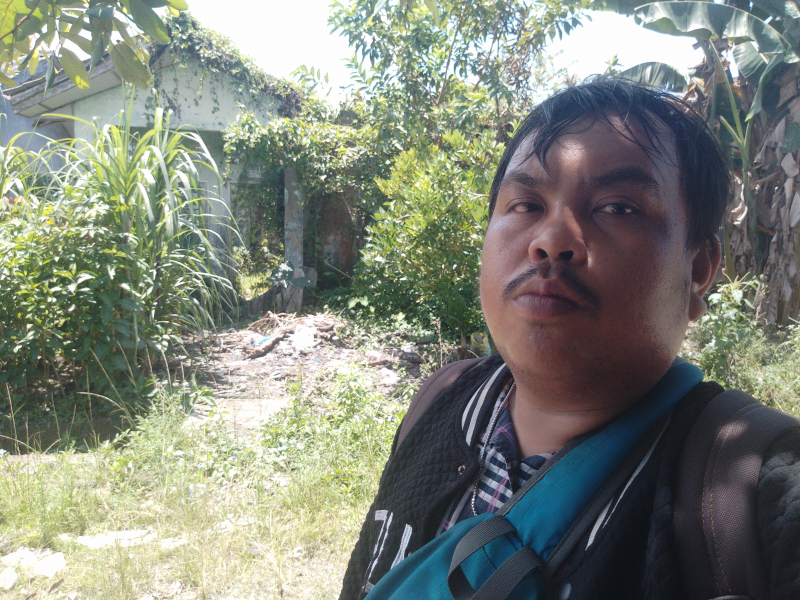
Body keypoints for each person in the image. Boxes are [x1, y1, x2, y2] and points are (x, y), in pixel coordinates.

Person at [339, 77, 800, 600]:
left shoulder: (757, 491)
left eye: (618, 207)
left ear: (697, 271)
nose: (552, 239)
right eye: (525, 204)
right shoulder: (439, 402)